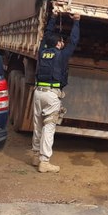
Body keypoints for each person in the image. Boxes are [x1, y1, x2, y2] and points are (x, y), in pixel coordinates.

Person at [31, 9, 80, 173]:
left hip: (38, 92)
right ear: (58, 43)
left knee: (37, 125)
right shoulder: (62, 55)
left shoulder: (42, 52)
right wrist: (77, 22)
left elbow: (46, 35)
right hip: (52, 95)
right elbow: (74, 41)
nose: (64, 43)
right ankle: (44, 162)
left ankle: (35, 155)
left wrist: (53, 17)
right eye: (61, 41)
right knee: (49, 127)